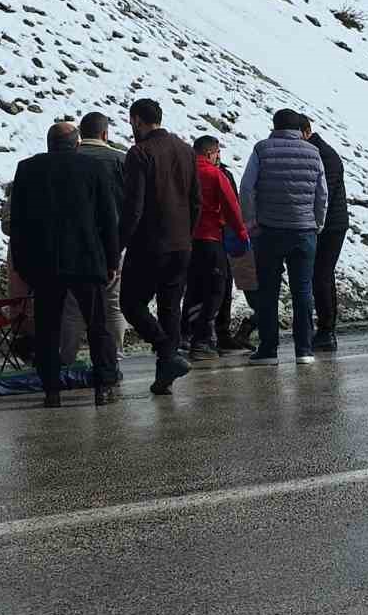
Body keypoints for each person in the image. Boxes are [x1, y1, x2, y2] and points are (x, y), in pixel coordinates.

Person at [8, 122, 122, 408]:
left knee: (47, 328)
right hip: (86, 260)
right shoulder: (93, 169)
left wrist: (22, 264)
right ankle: (105, 385)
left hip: (44, 264)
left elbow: (18, 223)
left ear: (49, 143)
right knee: (98, 325)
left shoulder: (27, 169)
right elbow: (108, 219)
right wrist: (111, 259)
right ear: (77, 142)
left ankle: (51, 390)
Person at [120, 98, 201, 394]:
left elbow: (133, 208)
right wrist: (187, 233)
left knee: (131, 302)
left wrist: (119, 244)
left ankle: (166, 349)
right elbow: (195, 200)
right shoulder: (186, 150)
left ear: (138, 120)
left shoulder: (140, 153)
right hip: (181, 244)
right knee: (170, 306)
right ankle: (164, 374)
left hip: (149, 244)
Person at [239, 109, 326, 366]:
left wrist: (251, 222)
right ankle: (304, 350)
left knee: (268, 291)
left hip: (269, 232)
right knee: (302, 291)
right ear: (299, 128)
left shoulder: (262, 149)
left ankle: (268, 350)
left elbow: (246, 188)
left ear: (274, 126)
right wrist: (317, 223)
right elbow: (322, 194)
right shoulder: (313, 152)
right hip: (304, 232)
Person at [58, 112, 128, 387]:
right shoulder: (120, 160)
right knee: (112, 305)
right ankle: (115, 359)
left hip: (72, 245)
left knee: (72, 307)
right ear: (105, 134)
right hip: (113, 244)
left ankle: (68, 360)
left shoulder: (67, 160)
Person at [182, 136, 249, 361]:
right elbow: (232, 206)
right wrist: (241, 233)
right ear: (211, 153)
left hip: (185, 241)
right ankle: (202, 339)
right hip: (211, 237)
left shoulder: (181, 172)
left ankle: (189, 335)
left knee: (194, 287)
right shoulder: (214, 174)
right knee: (216, 289)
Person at [300, 114, 349, 351]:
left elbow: (324, 195)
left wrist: (316, 223)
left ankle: (327, 330)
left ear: (307, 132)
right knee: (321, 275)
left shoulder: (324, 155)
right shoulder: (316, 152)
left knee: (322, 275)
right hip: (324, 223)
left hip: (330, 226)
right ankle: (325, 329)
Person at [213, 159, 251, 351]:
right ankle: (216, 333)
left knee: (223, 285)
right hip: (215, 235)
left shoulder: (224, 174)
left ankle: (220, 332)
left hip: (219, 236)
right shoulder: (218, 174)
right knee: (216, 287)